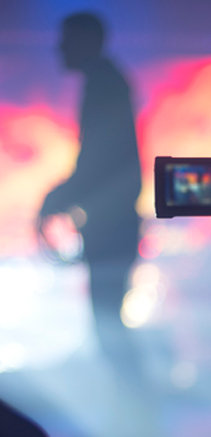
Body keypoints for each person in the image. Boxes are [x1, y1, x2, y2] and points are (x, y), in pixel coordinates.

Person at [38, 12, 142, 382]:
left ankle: (133, 400)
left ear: (87, 41)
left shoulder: (104, 85)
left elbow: (99, 160)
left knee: (108, 326)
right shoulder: (106, 82)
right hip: (114, 224)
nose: (59, 48)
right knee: (108, 323)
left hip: (112, 227)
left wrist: (54, 200)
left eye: (66, 39)